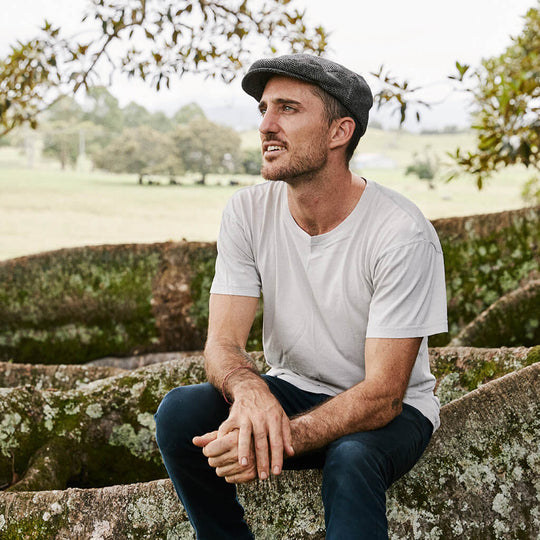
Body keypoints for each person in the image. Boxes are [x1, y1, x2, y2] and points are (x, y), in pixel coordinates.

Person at [155, 53, 447, 539]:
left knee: (351, 459)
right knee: (180, 413)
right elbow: (221, 345)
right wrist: (252, 394)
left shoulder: (402, 234)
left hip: (392, 412)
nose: (267, 125)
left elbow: (383, 396)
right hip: (293, 385)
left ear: (340, 132)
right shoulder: (248, 210)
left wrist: (277, 437)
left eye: (288, 109)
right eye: (264, 109)